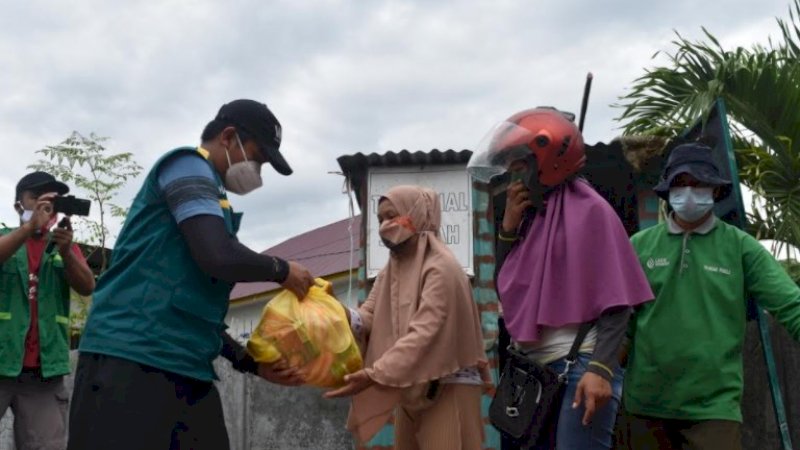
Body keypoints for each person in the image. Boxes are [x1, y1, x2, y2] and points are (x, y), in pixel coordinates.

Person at [67, 99, 316, 450]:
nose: (257, 171)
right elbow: (218, 256)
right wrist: (282, 270)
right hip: (130, 356)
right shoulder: (187, 167)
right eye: (257, 158)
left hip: (184, 365)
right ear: (228, 137)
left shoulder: (215, 207)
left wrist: (251, 363)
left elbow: (195, 307)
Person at [467, 107, 654, 450]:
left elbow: (618, 302)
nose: (513, 178)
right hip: (531, 371)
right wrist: (508, 228)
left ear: (548, 161)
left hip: (580, 366)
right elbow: (509, 290)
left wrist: (600, 369)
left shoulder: (592, 212)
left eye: (520, 166)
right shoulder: (533, 218)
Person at [620, 143, 800, 450]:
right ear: (667, 192)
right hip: (644, 406)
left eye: (698, 184)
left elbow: (791, 305)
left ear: (715, 191)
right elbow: (619, 319)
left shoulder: (740, 247)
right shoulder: (638, 246)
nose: (689, 192)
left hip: (713, 409)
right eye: (680, 184)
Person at [325, 185, 489, 450]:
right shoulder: (390, 271)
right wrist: (332, 310)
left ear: (418, 214)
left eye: (392, 216)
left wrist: (375, 374)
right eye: (380, 220)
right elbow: (368, 316)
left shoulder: (441, 267)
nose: (384, 226)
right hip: (411, 385)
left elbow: (425, 334)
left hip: (448, 386)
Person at [0, 171, 95, 450]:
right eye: (37, 199)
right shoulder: (7, 237)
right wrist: (27, 230)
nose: (46, 207)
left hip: (44, 373)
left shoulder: (63, 247)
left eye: (52, 201)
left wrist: (66, 253)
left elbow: (87, 286)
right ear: (19, 206)